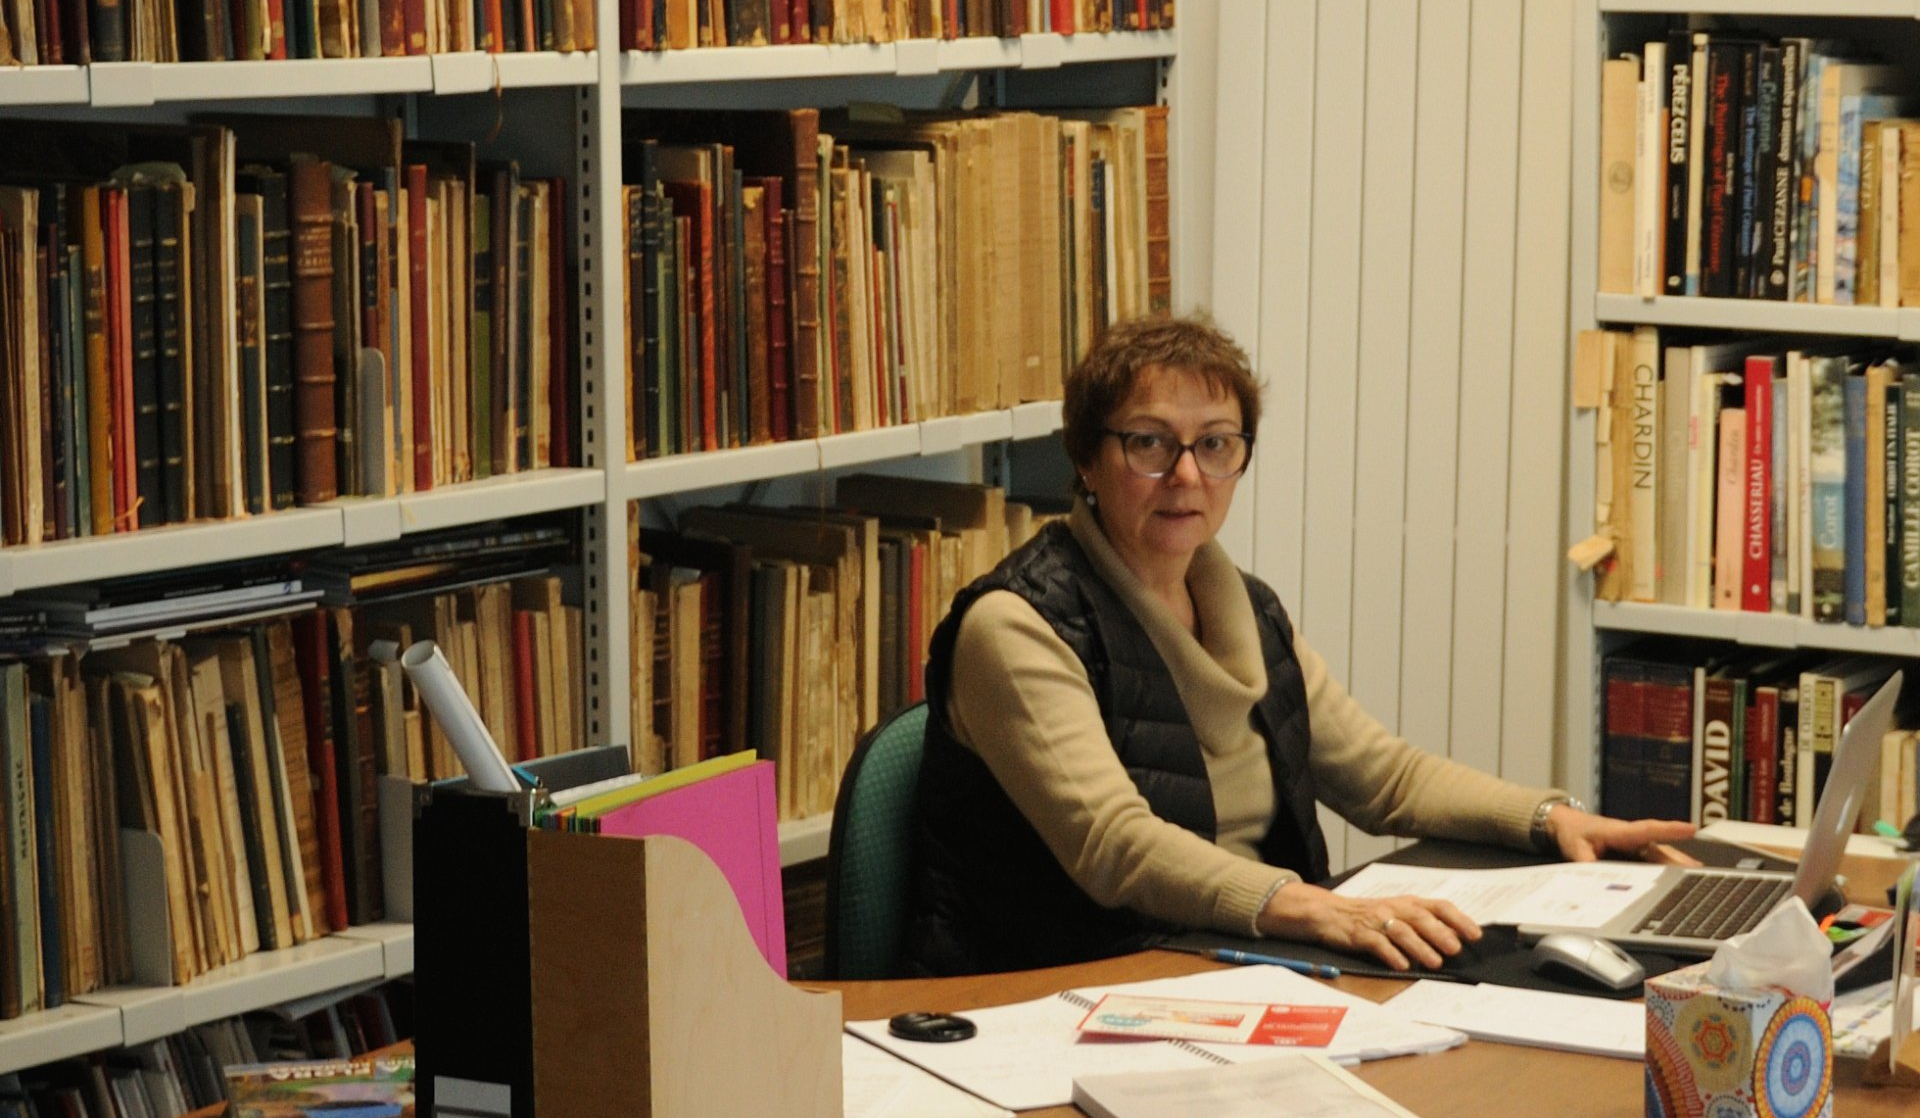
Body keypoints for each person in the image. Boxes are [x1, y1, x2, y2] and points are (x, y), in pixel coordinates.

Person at [900, 315, 1695, 978]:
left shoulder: (1245, 608)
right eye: (1149, 443)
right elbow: (1116, 846)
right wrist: (1316, 909)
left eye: (1216, 444)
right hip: (1066, 981)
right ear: (1085, 458)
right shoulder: (1018, 625)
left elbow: (1382, 778)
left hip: (1235, 958)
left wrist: (1550, 818)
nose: (1187, 475)